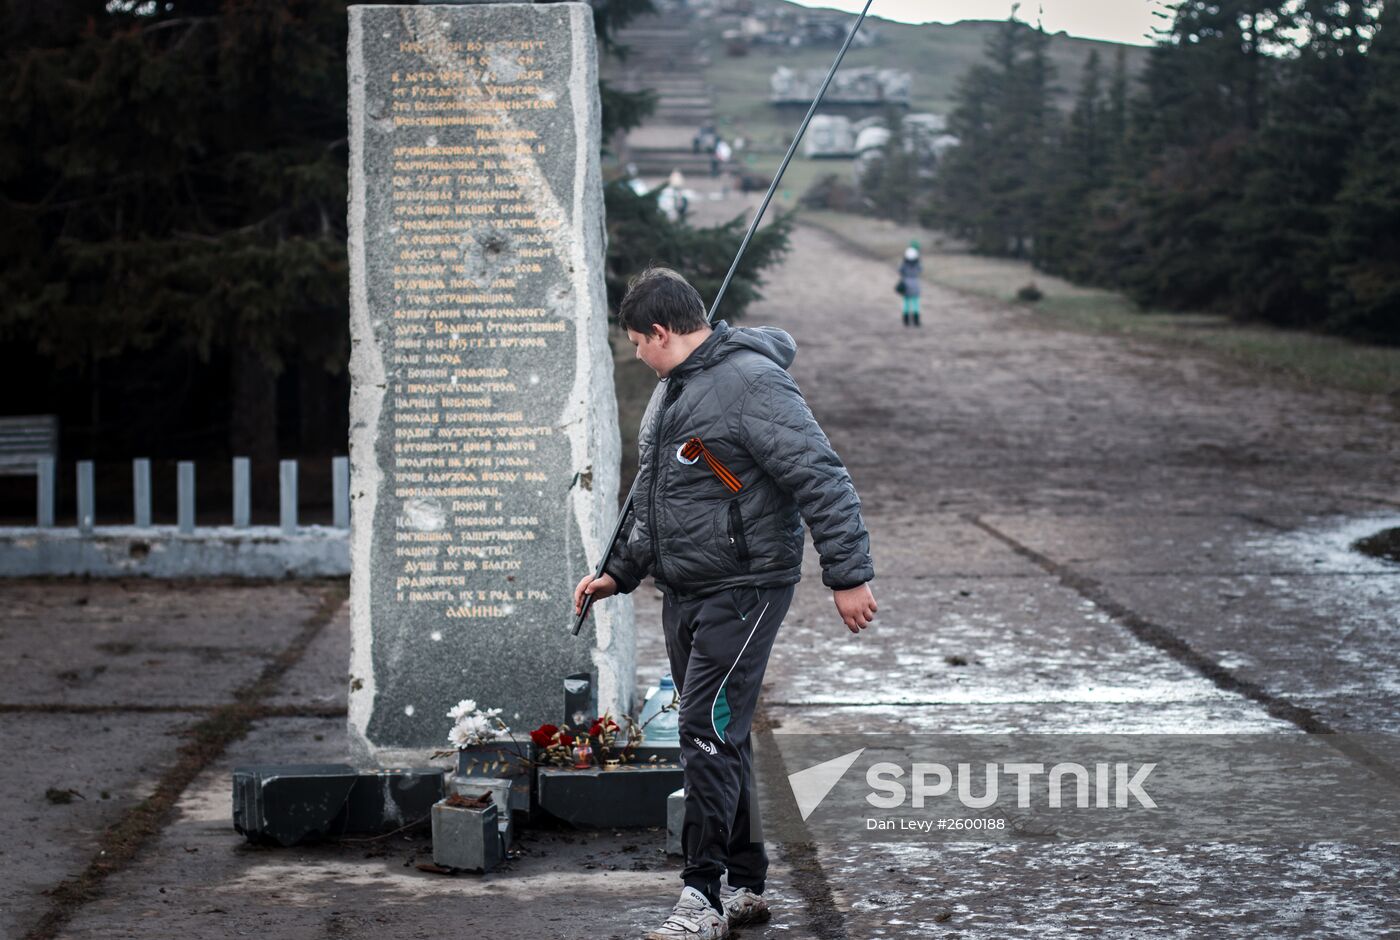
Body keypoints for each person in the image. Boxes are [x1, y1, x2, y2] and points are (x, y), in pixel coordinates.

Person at [573, 267, 878, 940]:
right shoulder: (671, 391)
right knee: (720, 733)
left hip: (744, 589)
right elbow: (654, 498)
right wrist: (617, 573)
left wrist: (847, 576)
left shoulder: (750, 382)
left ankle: (701, 898)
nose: (636, 356)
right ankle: (743, 884)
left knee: (705, 733)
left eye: (636, 343)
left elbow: (819, 474)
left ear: (660, 332)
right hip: (685, 588)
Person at [899, 243, 922, 327]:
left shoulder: (904, 264)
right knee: (916, 303)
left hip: (906, 283)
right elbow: (920, 270)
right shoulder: (917, 264)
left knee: (906, 303)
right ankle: (916, 321)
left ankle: (906, 321)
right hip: (915, 283)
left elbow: (900, 270)